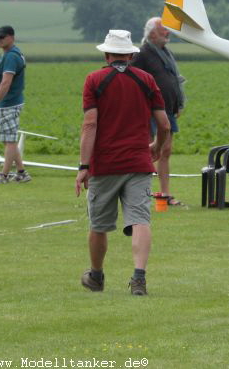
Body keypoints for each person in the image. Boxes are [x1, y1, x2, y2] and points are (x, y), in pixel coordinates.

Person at [75, 30, 170, 296]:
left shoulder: (94, 80)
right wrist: (157, 147)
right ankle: (139, 278)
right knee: (140, 219)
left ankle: (96, 276)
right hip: (139, 162)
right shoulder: (146, 80)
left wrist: (84, 167)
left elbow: (90, 124)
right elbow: (163, 124)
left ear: (106, 54)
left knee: (99, 225)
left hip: (104, 165)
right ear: (130, 55)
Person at [131, 17, 186, 206]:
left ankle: (164, 193)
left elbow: (174, 79)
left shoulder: (165, 52)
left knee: (166, 151)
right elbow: (134, 81)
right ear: (152, 33)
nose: (167, 32)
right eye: (164, 29)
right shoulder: (142, 53)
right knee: (151, 150)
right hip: (149, 110)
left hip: (167, 108)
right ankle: (142, 193)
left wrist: (177, 103)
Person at [0, 25, 30, 184]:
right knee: (8, 139)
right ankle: (21, 172)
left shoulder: (11, 56)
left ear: (11, 37)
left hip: (9, 103)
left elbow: (5, 83)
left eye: (2, 37)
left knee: (10, 140)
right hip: (9, 102)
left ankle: (3, 175)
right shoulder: (11, 54)